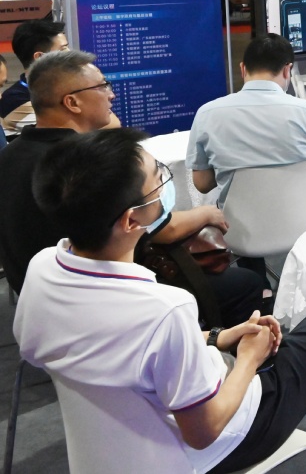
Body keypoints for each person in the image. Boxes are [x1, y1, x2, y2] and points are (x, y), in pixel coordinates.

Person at [14, 128, 306, 474]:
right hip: (218, 441)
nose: (164, 184)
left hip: (109, 447)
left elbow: (120, 348)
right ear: (131, 221)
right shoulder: (163, 309)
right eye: (158, 179)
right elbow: (204, 430)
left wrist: (218, 337)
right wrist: (248, 359)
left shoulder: (43, 269)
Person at [0, 50, 265, 325]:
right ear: (72, 102)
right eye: (102, 86)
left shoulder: (11, 155)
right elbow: (158, 227)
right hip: (104, 301)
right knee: (245, 283)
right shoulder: (84, 163)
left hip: (41, 296)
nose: (111, 95)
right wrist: (206, 213)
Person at [187, 33, 306, 217]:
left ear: (243, 69)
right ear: (287, 70)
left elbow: (202, 183)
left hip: (236, 226)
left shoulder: (206, 114)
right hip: (300, 220)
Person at [0, 18, 69, 136]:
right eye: (63, 49)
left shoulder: (64, 88)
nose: (69, 53)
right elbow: (66, 134)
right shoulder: (15, 99)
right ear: (40, 57)